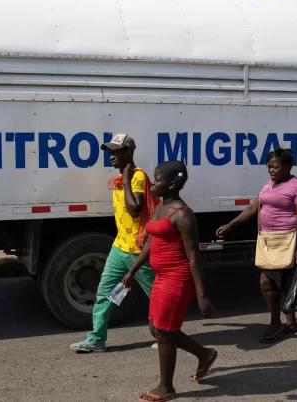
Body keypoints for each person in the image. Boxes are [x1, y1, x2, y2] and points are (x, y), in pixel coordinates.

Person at [123, 160, 218, 402]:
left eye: (158, 180)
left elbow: (194, 256)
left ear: (173, 183)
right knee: (156, 329)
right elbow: (152, 242)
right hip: (161, 276)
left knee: (164, 331)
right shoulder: (160, 208)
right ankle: (204, 354)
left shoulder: (183, 215)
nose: (153, 183)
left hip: (178, 277)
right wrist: (133, 270)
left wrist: (202, 294)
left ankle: (166, 387)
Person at [70, 133, 160, 353]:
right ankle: (96, 339)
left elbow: (135, 208)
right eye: (109, 151)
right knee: (105, 293)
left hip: (138, 250)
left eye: (116, 151)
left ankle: (166, 336)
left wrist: (127, 181)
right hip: (119, 247)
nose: (111, 155)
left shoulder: (137, 177)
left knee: (157, 295)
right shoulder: (122, 179)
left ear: (128, 152)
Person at [216, 147, 297, 343]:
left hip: (289, 241)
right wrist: (230, 225)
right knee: (267, 282)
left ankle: (285, 322)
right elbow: (253, 208)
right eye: (269, 167)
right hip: (267, 241)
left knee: (286, 283)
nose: (271, 171)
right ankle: (281, 321)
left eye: (275, 167)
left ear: (287, 166)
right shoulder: (268, 185)